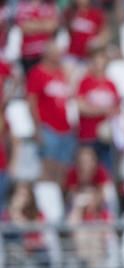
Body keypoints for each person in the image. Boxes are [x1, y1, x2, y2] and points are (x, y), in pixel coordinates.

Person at [26, 42, 74, 184]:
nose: (60, 55)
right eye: (56, 52)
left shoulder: (62, 73)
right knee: (47, 169)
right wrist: (37, 128)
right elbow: (31, 102)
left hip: (66, 129)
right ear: (47, 54)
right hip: (48, 128)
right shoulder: (37, 73)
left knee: (63, 170)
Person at [76, 48, 120, 171]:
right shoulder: (85, 82)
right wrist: (102, 111)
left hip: (106, 136)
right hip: (88, 134)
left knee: (106, 169)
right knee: (87, 169)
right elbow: (80, 106)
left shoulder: (111, 84)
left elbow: (116, 107)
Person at [3, 181, 50, 268]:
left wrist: (17, 213)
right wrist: (15, 210)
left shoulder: (38, 213)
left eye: (25, 195)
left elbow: (36, 231)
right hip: (15, 250)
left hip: (35, 250)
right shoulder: (7, 213)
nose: (22, 199)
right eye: (19, 195)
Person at [67, 185, 113, 268]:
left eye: (91, 196)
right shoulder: (79, 213)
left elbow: (109, 232)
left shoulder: (103, 213)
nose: (89, 200)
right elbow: (71, 227)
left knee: (92, 232)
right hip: (82, 248)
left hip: (99, 247)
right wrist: (78, 207)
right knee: (82, 233)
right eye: (85, 196)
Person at [15, 0, 58, 76]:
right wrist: (43, 24)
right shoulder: (23, 6)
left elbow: (52, 27)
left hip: (45, 55)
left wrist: (33, 23)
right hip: (28, 55)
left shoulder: (49, 6)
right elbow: (24, 27)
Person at [65, 0, 107, 68]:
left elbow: (103, 33)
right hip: (72, 54)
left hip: (88, 56)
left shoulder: (96, 14)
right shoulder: (70, 13)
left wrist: (96, 43)